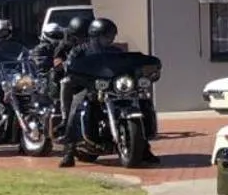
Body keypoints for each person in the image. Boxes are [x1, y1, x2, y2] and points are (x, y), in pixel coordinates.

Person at [59, 17, 158, 167]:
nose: (110, 39)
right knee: (76, 106)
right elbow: (71, 66)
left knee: (142, 100)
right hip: (90, 87)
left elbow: (126, 66)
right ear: (96, 35)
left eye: (112, 35)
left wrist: (140, 70)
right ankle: (69, 151)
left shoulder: (115, 51)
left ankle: (144, 149)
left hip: (113, 88)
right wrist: (70, 68)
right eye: (107, 36)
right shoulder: (80, 50)